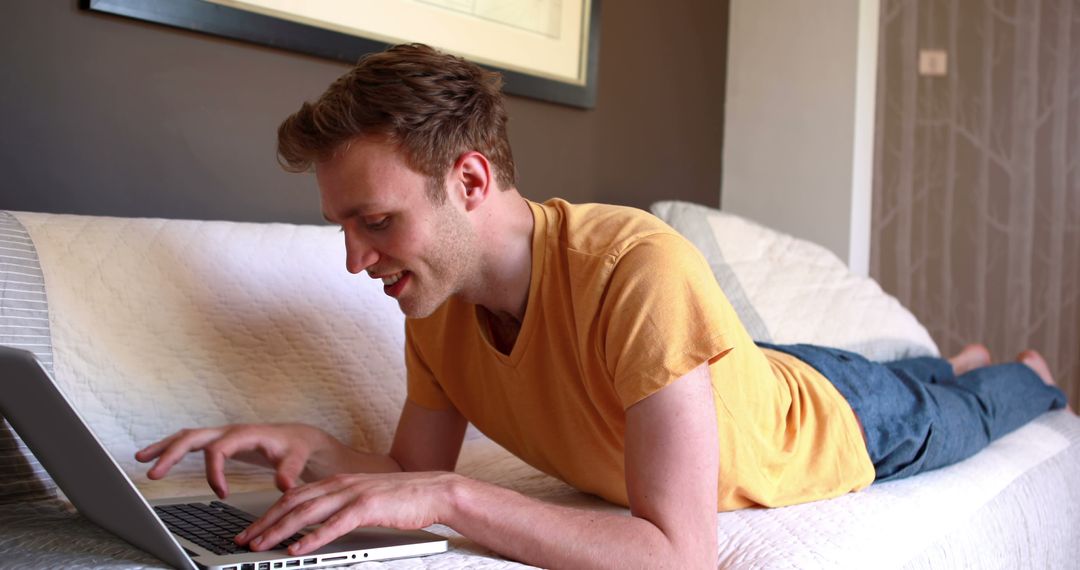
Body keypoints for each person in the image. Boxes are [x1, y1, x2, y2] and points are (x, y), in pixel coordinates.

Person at [135, 44, 1069, 569]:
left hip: (832, 419)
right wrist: (309, 447)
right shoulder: (436, 301)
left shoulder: (633, 269)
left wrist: (462, 498)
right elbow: (410, 471)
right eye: (342, 228)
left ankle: (1009, 370)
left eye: (373, 221)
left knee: (975, 405)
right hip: (738, 379)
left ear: (468, 180)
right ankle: (958, 361)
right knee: (871, 366)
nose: (354, 261)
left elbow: (679, 555)